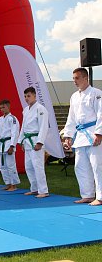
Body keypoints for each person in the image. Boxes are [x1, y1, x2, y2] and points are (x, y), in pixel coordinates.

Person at [63, 68, 102, 206]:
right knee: (80, 166)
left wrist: (99, 133)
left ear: (86, 78)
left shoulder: (96, 93)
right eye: (73, 78)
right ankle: (87, 195)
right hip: (80, 136)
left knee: (97, 166)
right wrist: (68, 135)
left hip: (93, 134)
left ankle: (100, 196)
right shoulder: (74, 96)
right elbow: (71, 118)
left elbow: (101, 113)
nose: (74, 81)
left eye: (77, 78)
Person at [18, 87, 49, 198]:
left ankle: (43, 190)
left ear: (35, 96)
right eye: (25, 96)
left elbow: (44, 126)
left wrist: (40, 142)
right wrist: (21, 140)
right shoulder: (25, 110)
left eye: (29, 96)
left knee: (38, 166)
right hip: (27, 141)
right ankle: (34, 188)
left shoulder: (41, 109)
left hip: (36, 141)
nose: (26, 98)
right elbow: (23, 126)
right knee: (29, 167)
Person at [0, 99, 20, 191]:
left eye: (3, 107)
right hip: (1, 144)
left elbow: (15, 133)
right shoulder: (0, 119)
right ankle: (8, 183)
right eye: (0, 108)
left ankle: (14, 185)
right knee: (2, 166)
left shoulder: (12, 119)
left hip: (8, 144)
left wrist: (12, 146)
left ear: (8, 107)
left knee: (10, 165)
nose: (2, 109)